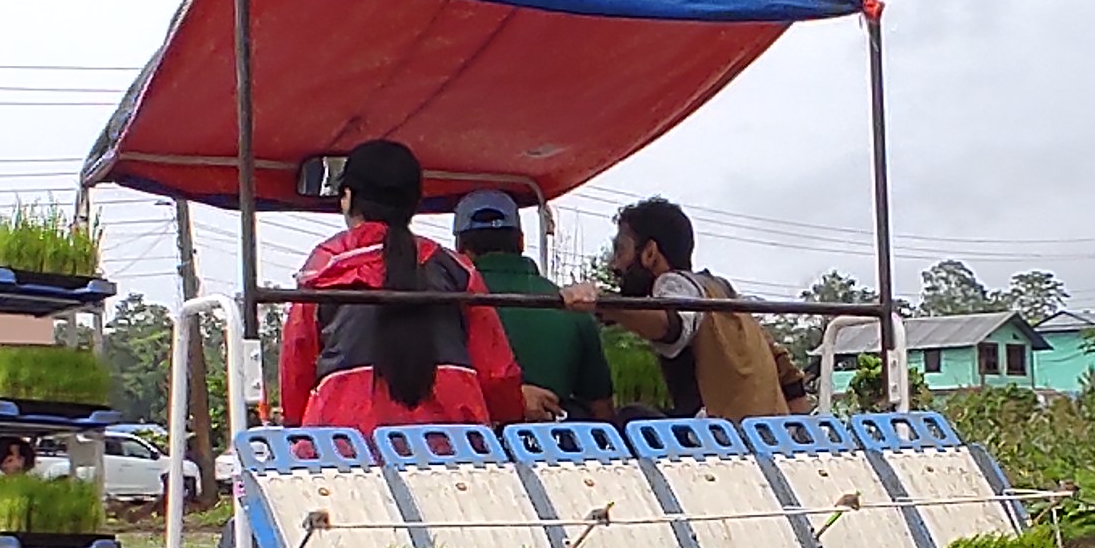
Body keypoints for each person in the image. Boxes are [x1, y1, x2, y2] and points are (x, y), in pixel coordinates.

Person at [276, 140, 529, 433]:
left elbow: (296, 371)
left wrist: (297, 429)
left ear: (347, 197)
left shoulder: (323, 270)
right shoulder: (458, 272)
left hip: (343, 449)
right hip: (456, 449)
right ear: (415, 202)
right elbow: (498, 376)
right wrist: (510, 418)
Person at [562, 196, 812, 421]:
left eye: (620, 250)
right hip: (762, 443)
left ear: (649, 253)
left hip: (717, 441)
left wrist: (604, 303)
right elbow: (791, 380)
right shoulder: (723, 291)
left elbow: (671, 324)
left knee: (626, 417)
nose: (614, 264)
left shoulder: (674, 284)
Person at [451, 188, 611, 422]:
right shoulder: (572, 308)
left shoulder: (448, 304)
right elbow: (602, 411)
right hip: (553, 448)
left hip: (470, 447)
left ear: (461, 248)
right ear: (521, 242)